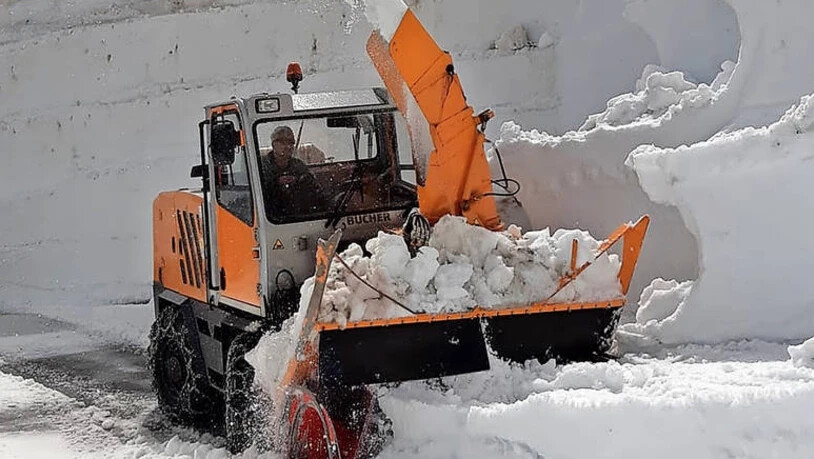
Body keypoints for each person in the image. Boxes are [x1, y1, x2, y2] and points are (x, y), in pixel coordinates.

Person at [261, 125, 326, 218]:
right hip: (271, 217)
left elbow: (314, 189)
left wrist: (298, 181)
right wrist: (276, 183)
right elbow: (259, 192)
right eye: (283, 142)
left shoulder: (299, 165)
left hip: (298, 217)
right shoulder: (262, 166)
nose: (288, 146)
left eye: (291, 143)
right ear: (274, 144)